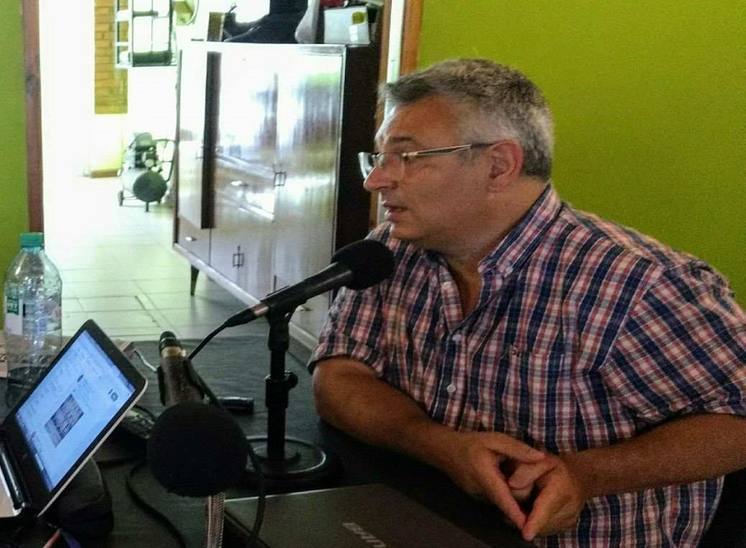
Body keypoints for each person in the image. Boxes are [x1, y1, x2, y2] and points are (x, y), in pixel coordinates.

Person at [309, 58, 746, 546]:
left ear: (498, 165)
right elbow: (340, 375)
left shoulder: (637, 283)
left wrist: (585, 476)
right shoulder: (393, 248)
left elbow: (737, 418)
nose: (376, 180)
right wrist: (443, 447)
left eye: (406, 158)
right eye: (378, 158)